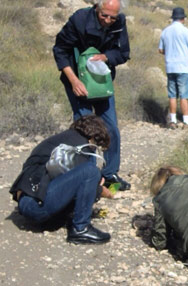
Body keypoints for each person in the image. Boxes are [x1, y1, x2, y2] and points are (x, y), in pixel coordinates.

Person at [52, 0, 131, 191]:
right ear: (97, 7)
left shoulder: (119, 22)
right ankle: (84, 175)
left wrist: (106, 57)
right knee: (84, 128)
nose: (108, 20)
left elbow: (123, 53)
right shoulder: (79, 20)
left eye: (113, 17)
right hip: (76, 81)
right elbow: (60, 50)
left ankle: (110, 175)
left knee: (111, 127)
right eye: (104, 15)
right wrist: (74, 81)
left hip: (101, 83)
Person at [9, 115, 112, 244]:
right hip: (35, 206)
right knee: (90, 171)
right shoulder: (81, 144)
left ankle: (59, 219)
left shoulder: (61, 139)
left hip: (28, 201)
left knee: (87, 174)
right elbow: (85, 180)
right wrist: (101, 190)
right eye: (97, 145)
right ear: (93, 138)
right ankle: (81, 229)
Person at [158, 7, 188, 128]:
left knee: (172, 95)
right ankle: (186, 121)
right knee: (184, 96)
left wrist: (171, 52)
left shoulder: (165, 31)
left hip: (170, 67)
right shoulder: (185, 31)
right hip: (183, 67)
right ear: (183, 18)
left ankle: (173, 120)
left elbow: (161, 50)